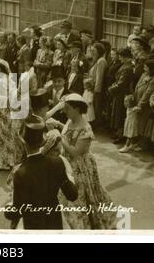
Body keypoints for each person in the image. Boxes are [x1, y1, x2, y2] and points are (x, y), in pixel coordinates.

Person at [47, 94, 116, 229]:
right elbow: (70, 132)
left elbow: (76, 152)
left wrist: (59, 136)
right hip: (67, 164)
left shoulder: (86, 128)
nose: (64, 111)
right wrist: (58, 124)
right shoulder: (71, 120)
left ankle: (82, 225)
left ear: (77, 109)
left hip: (79, 167)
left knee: (79, 196)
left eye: (67, 108)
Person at [5, 115, 78, 229]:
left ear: (23, 142)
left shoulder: (21, 173)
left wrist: (8, 209)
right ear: (43, 142)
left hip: (33, 227)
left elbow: (17, 212)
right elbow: (72, 195)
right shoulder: (57, 162)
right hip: (55, 223)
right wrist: (67, 179)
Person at [0, 59, 26, 170]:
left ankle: (3, 161)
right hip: (6, 109)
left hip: (4, 110)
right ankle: (10, 160)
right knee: (6, 135)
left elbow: (4, 97)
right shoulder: (8, 79)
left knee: (2, 135)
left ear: (2, 69)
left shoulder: (2, 81)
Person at [133, 60, 154, 151]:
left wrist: (140, 104)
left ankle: (144, 145)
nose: (144, 68)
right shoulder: (144, 74)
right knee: (139, 123)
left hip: (145, 105)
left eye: (146, 67)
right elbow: (137, 85)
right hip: (138, 100)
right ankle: (139, 142)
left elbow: (148, 93)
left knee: (145, 125)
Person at [108, 48, 134, 144]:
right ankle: (119, 133)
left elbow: (122, 83)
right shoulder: (126, 66)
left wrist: (111, 88)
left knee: (120, 114)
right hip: (118, 93)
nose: (119, 58)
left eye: (121, 56)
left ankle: (121, 135)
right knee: (118, 114)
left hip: (121, 94)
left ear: (125, 57)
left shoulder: (128, 68)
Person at [88, 42, 108, 126]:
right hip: (93, 87)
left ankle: (97, 125)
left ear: (99, 51)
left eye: (94, 50)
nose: (91, 52)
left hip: (98, 89)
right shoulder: (97, 60)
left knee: (97, 107)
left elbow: (100, 77)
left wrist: (96, 90)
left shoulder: (101, 61)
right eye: (91, 50)